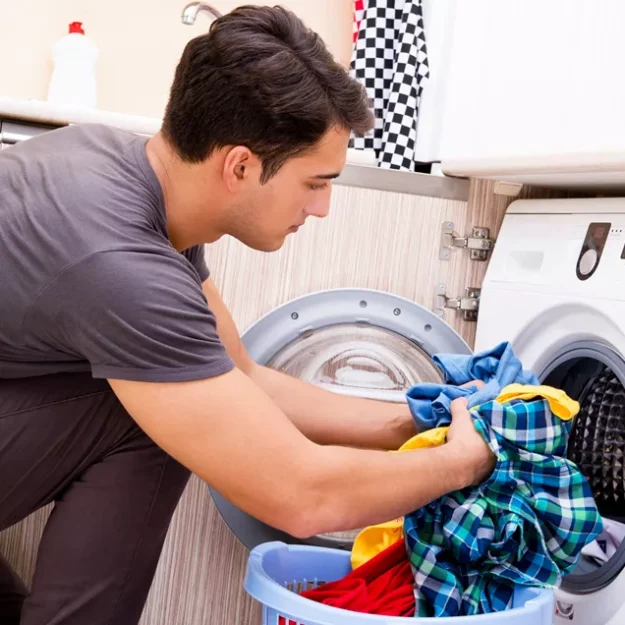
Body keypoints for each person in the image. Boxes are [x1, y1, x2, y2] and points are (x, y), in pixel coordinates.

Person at [0, 6, 495, 625]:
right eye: (315, 182)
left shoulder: (132, 176)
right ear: (239, 166)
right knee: (153, 411)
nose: (322, 208)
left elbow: (242, 377)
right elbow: (299, 496)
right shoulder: (121, 264)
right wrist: (462, 464)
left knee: (187, 391)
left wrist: (413, 422)